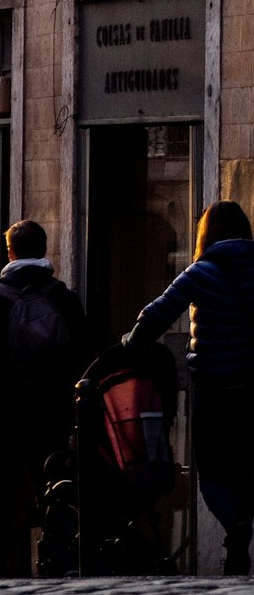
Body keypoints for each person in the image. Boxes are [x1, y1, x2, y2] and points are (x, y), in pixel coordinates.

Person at [125, 199, 254, 574]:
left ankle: (235, 526)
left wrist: (132, 344)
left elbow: (158, 312)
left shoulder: (201, 271)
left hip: (215, 388)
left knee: (212, 471)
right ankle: (242, 523)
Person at [0, 219, 89, 577]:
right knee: (54, 486)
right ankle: (61, 559)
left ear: (10, 251)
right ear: (44, 250)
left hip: (3, 414)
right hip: (52, 411)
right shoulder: (64, 298)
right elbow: (82, 356)